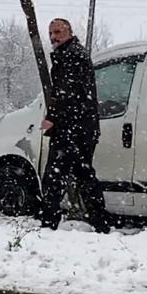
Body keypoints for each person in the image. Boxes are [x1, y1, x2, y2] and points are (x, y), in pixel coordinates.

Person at [37, 18, 110, 233]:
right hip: (81, 126)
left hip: (73, 127)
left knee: (55, 175)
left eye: (58, 32)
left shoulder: (71, 56)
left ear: (69, 32)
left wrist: (52, 117)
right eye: (51, 33)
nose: (53, 37)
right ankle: (100, 221)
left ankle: (48, 223)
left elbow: (65, 93)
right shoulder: (72, 54)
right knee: (82, 174)